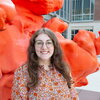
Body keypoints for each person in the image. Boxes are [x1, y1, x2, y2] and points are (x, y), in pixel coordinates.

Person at [12, 28, 79, 100]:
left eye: (48, 43)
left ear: (54, 46)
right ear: (33, 47)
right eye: (39, 43)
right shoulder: (22, 72)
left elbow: (74, 96)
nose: (44, 47)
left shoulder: (63, 69)